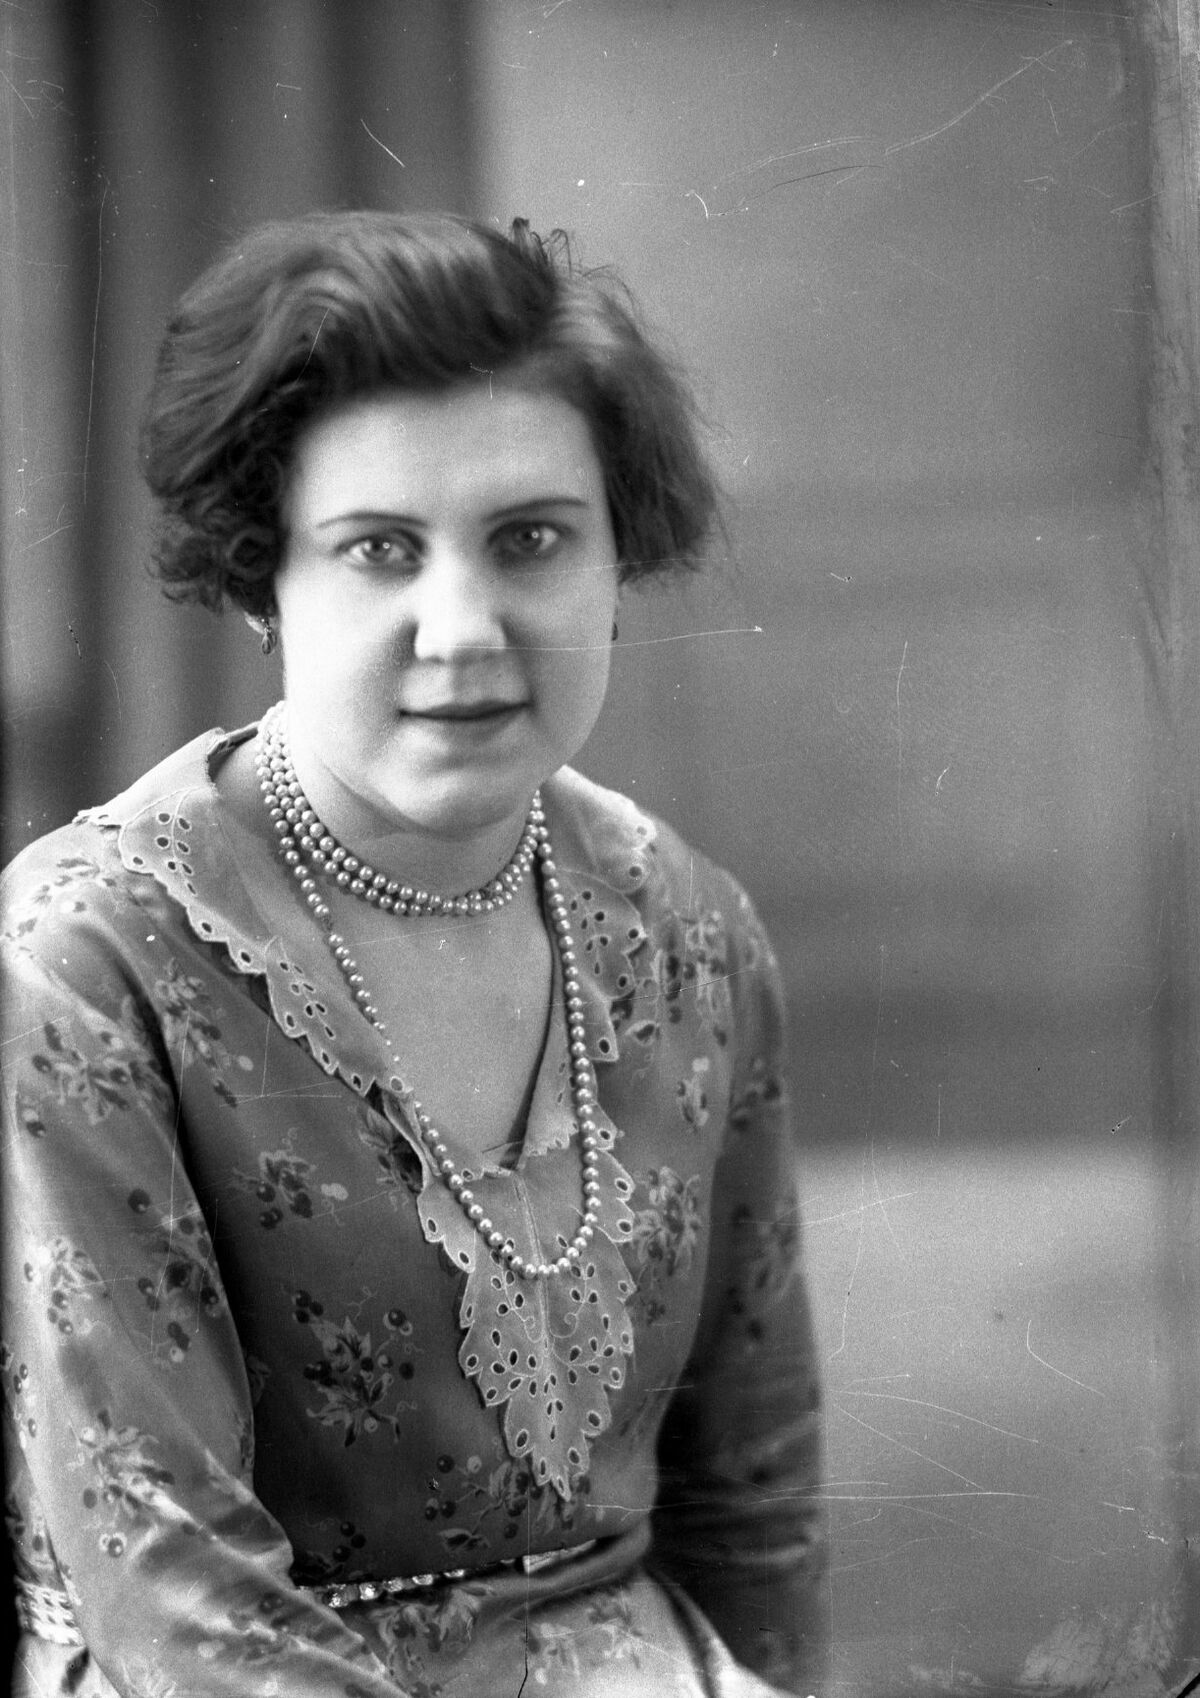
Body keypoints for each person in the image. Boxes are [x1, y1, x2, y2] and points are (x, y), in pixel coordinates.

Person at [1, 211, 827, 1698]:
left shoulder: (691, 934)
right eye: (379, 550)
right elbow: (170, 1589)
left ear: (617, 558)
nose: (463, 629)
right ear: (260, 577)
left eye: (531, 540)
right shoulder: (83, 962)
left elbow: (751, 1510)